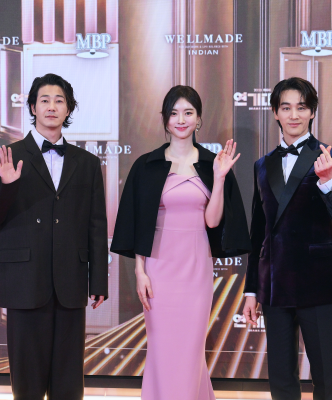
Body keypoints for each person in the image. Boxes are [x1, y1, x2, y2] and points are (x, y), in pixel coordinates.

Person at [0, 73, 108, 400]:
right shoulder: (5, 157)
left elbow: (96, 224)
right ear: (32, 107)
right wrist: (6, 186)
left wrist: (99, 281)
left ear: (68, 108)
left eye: (59, 101)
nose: (51, 107)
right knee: (27, 386)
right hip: (25, 283)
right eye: (44, 100)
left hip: (70, 284)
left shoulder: (88, 164)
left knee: (69, 385)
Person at [111, 85, 251, 400]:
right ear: (165, 119)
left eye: (188, 112)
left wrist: (219, 179)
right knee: (162, 349)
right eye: (174, 113)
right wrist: (140, 272)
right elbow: (138, 222)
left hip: (196, 270)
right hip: (158, 270)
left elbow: (212, 221)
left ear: (199, 119)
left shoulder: (213, 163)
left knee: (190, 350)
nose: (181, 120)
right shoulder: (146, 165)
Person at [242, 77, 332, 400]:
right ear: (275, 113)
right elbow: (258, 233)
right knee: (281, 379)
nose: (294, 115)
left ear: (312, 112)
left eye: (302, 107)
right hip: (275, 284)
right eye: (286, 108)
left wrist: (329, 181)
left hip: (318, 283)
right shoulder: (262, 165)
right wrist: (251, 289)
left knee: (325, 378)